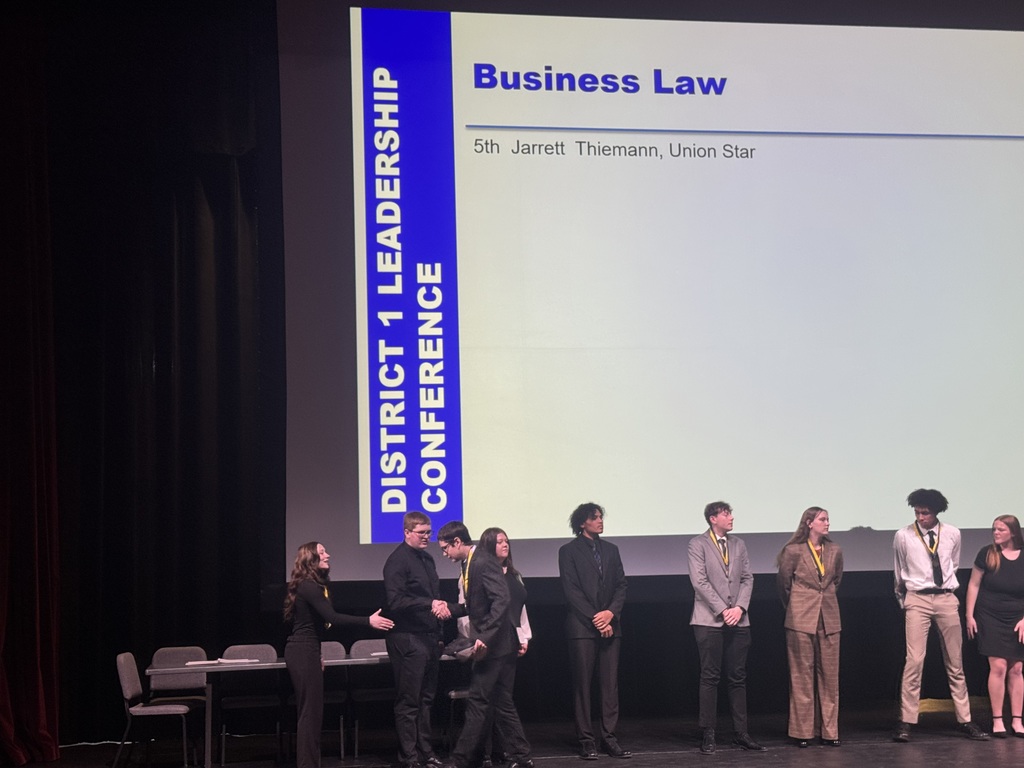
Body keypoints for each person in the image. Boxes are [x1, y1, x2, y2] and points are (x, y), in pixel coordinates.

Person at [283, 541, 393, 768]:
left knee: (313, 715)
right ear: (310, 558)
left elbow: (314, 625)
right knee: (309, 715)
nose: (328, 555)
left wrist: (318, 653)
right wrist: (368, 621)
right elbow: (332, 618)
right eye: (322, 552)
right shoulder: (308, 586)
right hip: (302, 651)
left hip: (308, 650)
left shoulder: (313, 585)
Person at [892, 488, 988, 741]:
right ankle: (906, 721)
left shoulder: (953, 533)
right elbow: (898, 570)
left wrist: (945, 591)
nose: (920, 517)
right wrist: (907, 601)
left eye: (925, 513)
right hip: (917, 598)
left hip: (945, 598)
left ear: (936, 512)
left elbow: (952, 565)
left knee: (955, 663)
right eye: (917, 512)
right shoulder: (903, 536)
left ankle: (965, 719)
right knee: (914, 661)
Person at [436, 521, 533, 768]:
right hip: (499, 645)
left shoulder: (482, 561)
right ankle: (523, 757)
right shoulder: (469, 563)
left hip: (495, 646)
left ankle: (459, 760)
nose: (444, 554)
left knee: (478, 702)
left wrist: (484, 637)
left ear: (457, 542)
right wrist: (450, 608)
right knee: (502, 702)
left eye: (445, 548)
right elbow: (475, 606)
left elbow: (501, 601)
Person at [688, 501, 764, 754]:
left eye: (730, 513)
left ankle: (741, 733)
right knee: (710, 677)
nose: (731, 517)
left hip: (739, 619)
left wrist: (739, 608)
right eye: (725, 514)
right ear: (713, 518)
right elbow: (699, 581)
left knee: (738, 677)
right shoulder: (697, 544)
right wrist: (723, 610)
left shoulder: (738, 544)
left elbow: (747, 578)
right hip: (709, 620)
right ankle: (708, 733)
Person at [558, 502, 631, 760]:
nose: (600, 521)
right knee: (583, 686)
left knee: (609, 686)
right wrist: (596, 619)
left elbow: (621, 585)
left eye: (601, 517)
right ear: (582, 523)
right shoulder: (568, 551)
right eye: (594, 518)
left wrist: (610, 614)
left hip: (612, 624)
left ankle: (609, 738)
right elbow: (572, 591)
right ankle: (586, 740)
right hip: (582, 628)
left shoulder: (611, 549)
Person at [383, 511, 451, 768]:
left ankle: (426, 752)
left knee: (426, 699)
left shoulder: (427, 559)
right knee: (409, 701)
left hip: (429, 638)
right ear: (407, 532)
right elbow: (396, 601)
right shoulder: (397, 561)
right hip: (408, 638)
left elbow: (433, 598)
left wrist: (440, 636)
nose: (427, 537)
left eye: (429, 532)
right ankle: (409, 757)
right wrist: (429, 603)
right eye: (422, 532)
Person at [776, 507, 843, 747]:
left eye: (828, 519)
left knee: (830, 677)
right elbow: (784, 584)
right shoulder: (792, 551)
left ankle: (829, 731)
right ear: (809, 523)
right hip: (800, 618)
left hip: (829, 618)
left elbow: (836, 580)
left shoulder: (834, 550)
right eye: (822, 519)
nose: (827, 523)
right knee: (801, 676)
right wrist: (795, 608)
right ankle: (803, 732)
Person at [477, 527, 533, 767]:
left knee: (503, 700)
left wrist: (524, 637)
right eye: (499, 541)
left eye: (507, 541)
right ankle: (488, 752)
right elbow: (471, 611)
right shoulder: (478, 573)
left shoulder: (514, 574)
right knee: (492, 702)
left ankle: (502, 752)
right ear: (489, 545)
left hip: (510, 643)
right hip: (488, 644)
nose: (505, 544)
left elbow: (519, 611)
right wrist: (476, 641)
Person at [965, 515, 1024, 737]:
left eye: (1001, 529)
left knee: (1016, 669)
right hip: (990, 616)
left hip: (1018, 617)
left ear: (1013, 532)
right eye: (994, 529)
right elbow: (973, 584)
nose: (996, 533)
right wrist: (969, 615)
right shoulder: (987, 553)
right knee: (998, 667)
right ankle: (997, 719)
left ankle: (1017, 720)